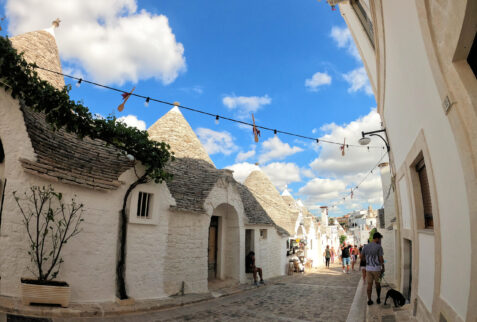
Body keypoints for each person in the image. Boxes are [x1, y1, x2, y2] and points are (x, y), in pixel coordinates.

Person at [361, 232, 385, 305]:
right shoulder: (379, 247)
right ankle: (378, 298)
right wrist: (383, 267)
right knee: (378, 284)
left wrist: (367, 261)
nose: (380, 240)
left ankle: (369, 300)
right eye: (379, 239)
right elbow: (381, 258)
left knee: (369, 285)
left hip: (368, 269)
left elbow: (361, 257)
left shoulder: (365, 246)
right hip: (377, 269)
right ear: (377, 238)